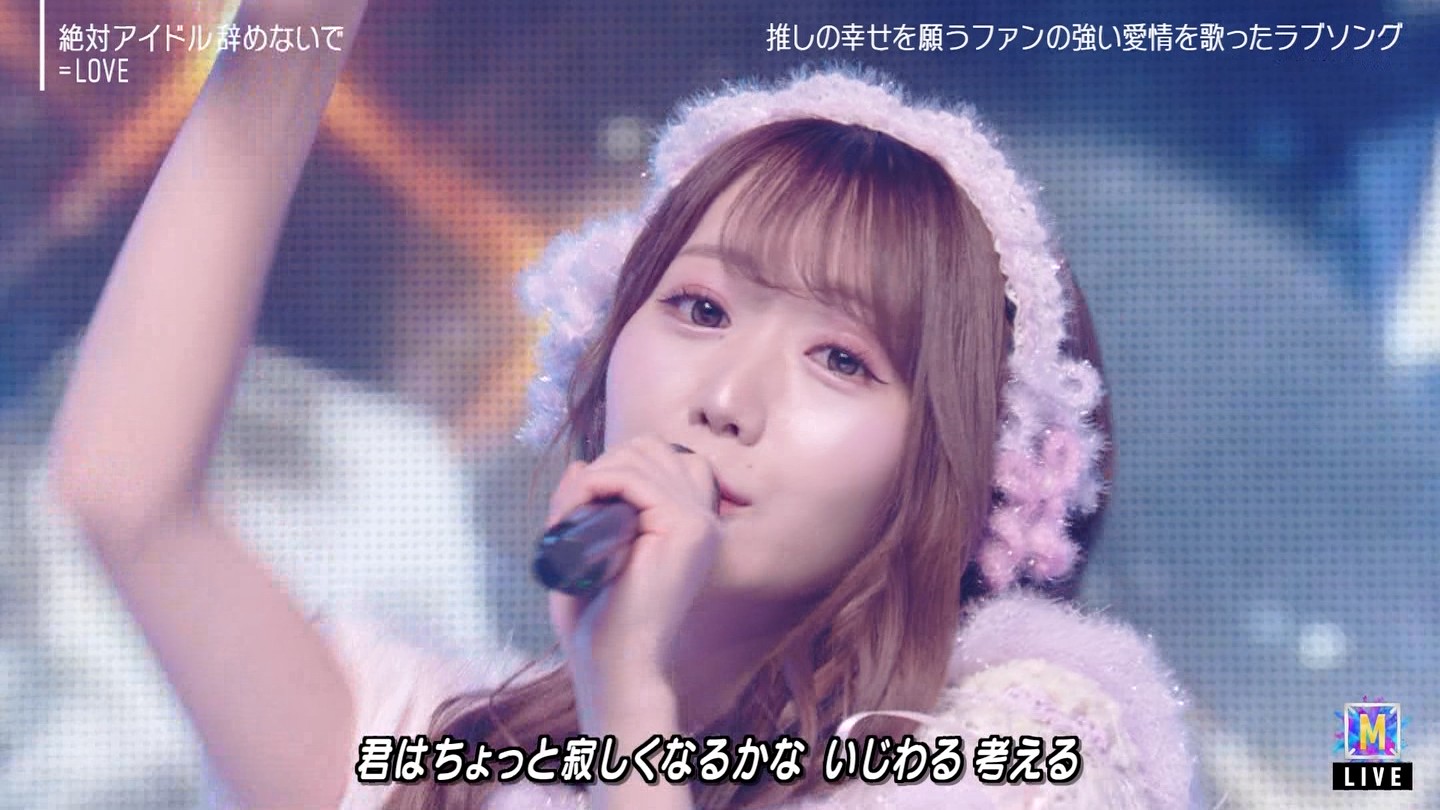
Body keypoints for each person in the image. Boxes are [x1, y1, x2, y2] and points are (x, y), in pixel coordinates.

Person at [45, 0, 1196, 807]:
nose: (728, 399)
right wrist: (291, 40)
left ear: (955, 469)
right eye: (699, 308)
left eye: (843, 360)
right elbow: (125, 496)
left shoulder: (1028, 742)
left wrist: (631, 699)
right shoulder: (452, 765)